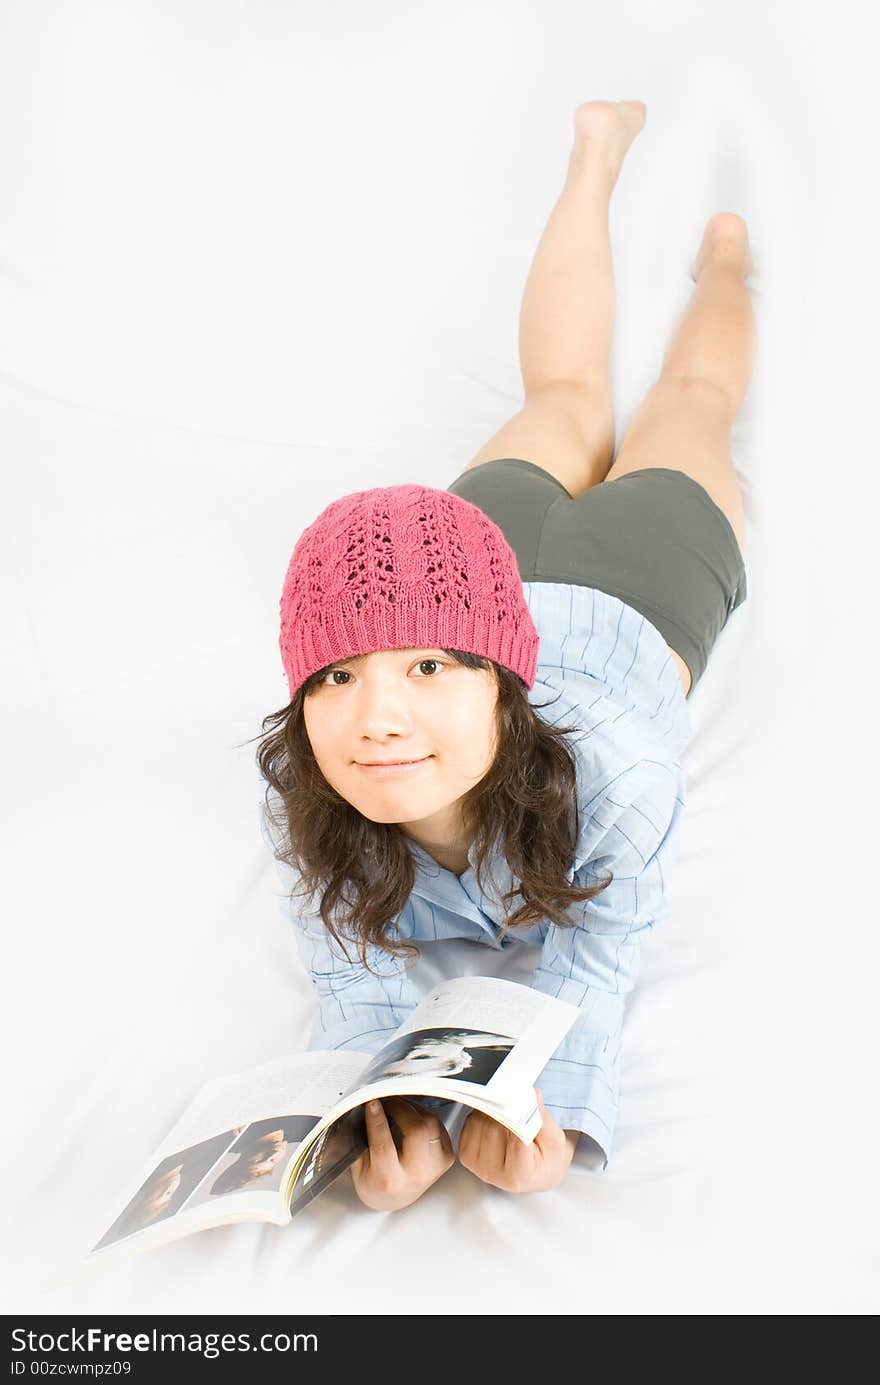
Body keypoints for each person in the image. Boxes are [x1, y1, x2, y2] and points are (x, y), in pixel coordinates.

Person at [253, 99, 754, 1211]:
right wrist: (395, 1114)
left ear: (501, 684)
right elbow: (348, 967)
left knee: (689, 399)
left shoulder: (613, 781)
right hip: (473, 572)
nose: (374, 714)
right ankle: (593, 155)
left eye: (422, 672)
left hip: (640, 579)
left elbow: (596, 961)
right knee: (562, 397)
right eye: (336, 674)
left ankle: (725, 262)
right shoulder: (302, 780)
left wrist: (555, 1116)